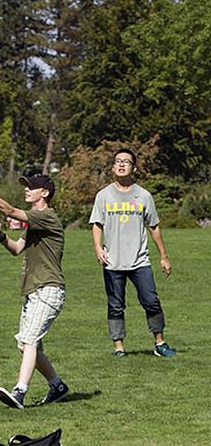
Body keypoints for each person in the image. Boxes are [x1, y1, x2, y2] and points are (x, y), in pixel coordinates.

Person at [0, 171, 69, 410]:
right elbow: (16, 249)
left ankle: (20, 391)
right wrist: (1, 236)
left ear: (44, 193)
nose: (26, 190)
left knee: (30, 341)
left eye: (31, 187)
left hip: (48, 288)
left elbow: (9, 211)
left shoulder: (47, 217)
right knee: (26, 345)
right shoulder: (35, 222)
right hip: (34, 290)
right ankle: (57, 386)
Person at [89, 148, 176, 358]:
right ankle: (119, 347)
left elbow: (154, 227)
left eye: (126, 161)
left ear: (133, 168)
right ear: (112, 167)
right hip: (112, 262)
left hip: (140, 261)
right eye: (118, 161)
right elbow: (96, 224)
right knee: (116, 305)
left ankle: (160, 343)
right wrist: (98, 248)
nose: (121, 164)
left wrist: (163, 256)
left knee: (151, 300)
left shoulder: (144, 195)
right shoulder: (104, 195)